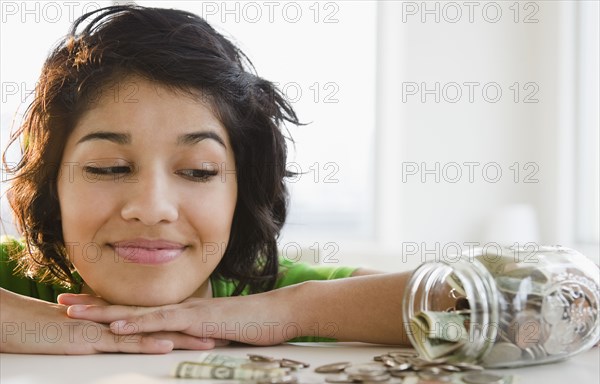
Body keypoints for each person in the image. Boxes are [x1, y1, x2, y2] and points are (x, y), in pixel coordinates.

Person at [0, 4, 412, 354]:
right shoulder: (18, 280)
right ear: (52, 185)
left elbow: (465, 304)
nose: (152, 208)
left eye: (198, 171)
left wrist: (297, 310)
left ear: (241, 191)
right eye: (109, 168)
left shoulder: (268, 292)